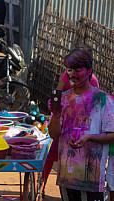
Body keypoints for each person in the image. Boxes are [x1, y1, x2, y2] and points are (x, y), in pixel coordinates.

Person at [48, 48, 114, 201]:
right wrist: (56, 116)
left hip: (90, 179)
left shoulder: (103, 100)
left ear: (89, 70)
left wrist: (89, 137)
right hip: (65, 177)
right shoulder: (63, 99)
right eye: (69, 70)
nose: (72, 74)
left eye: (77, 70)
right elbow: (53, 134)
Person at [42, 44, 100, 196]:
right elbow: (58, 91)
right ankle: (42, 183)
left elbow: (90, 108)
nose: (73, 73)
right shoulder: (66, 76)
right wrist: (57, 108)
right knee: (51, 153)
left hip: (81, 129)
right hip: (64, 125)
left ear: (88, 69)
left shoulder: (94, 85)